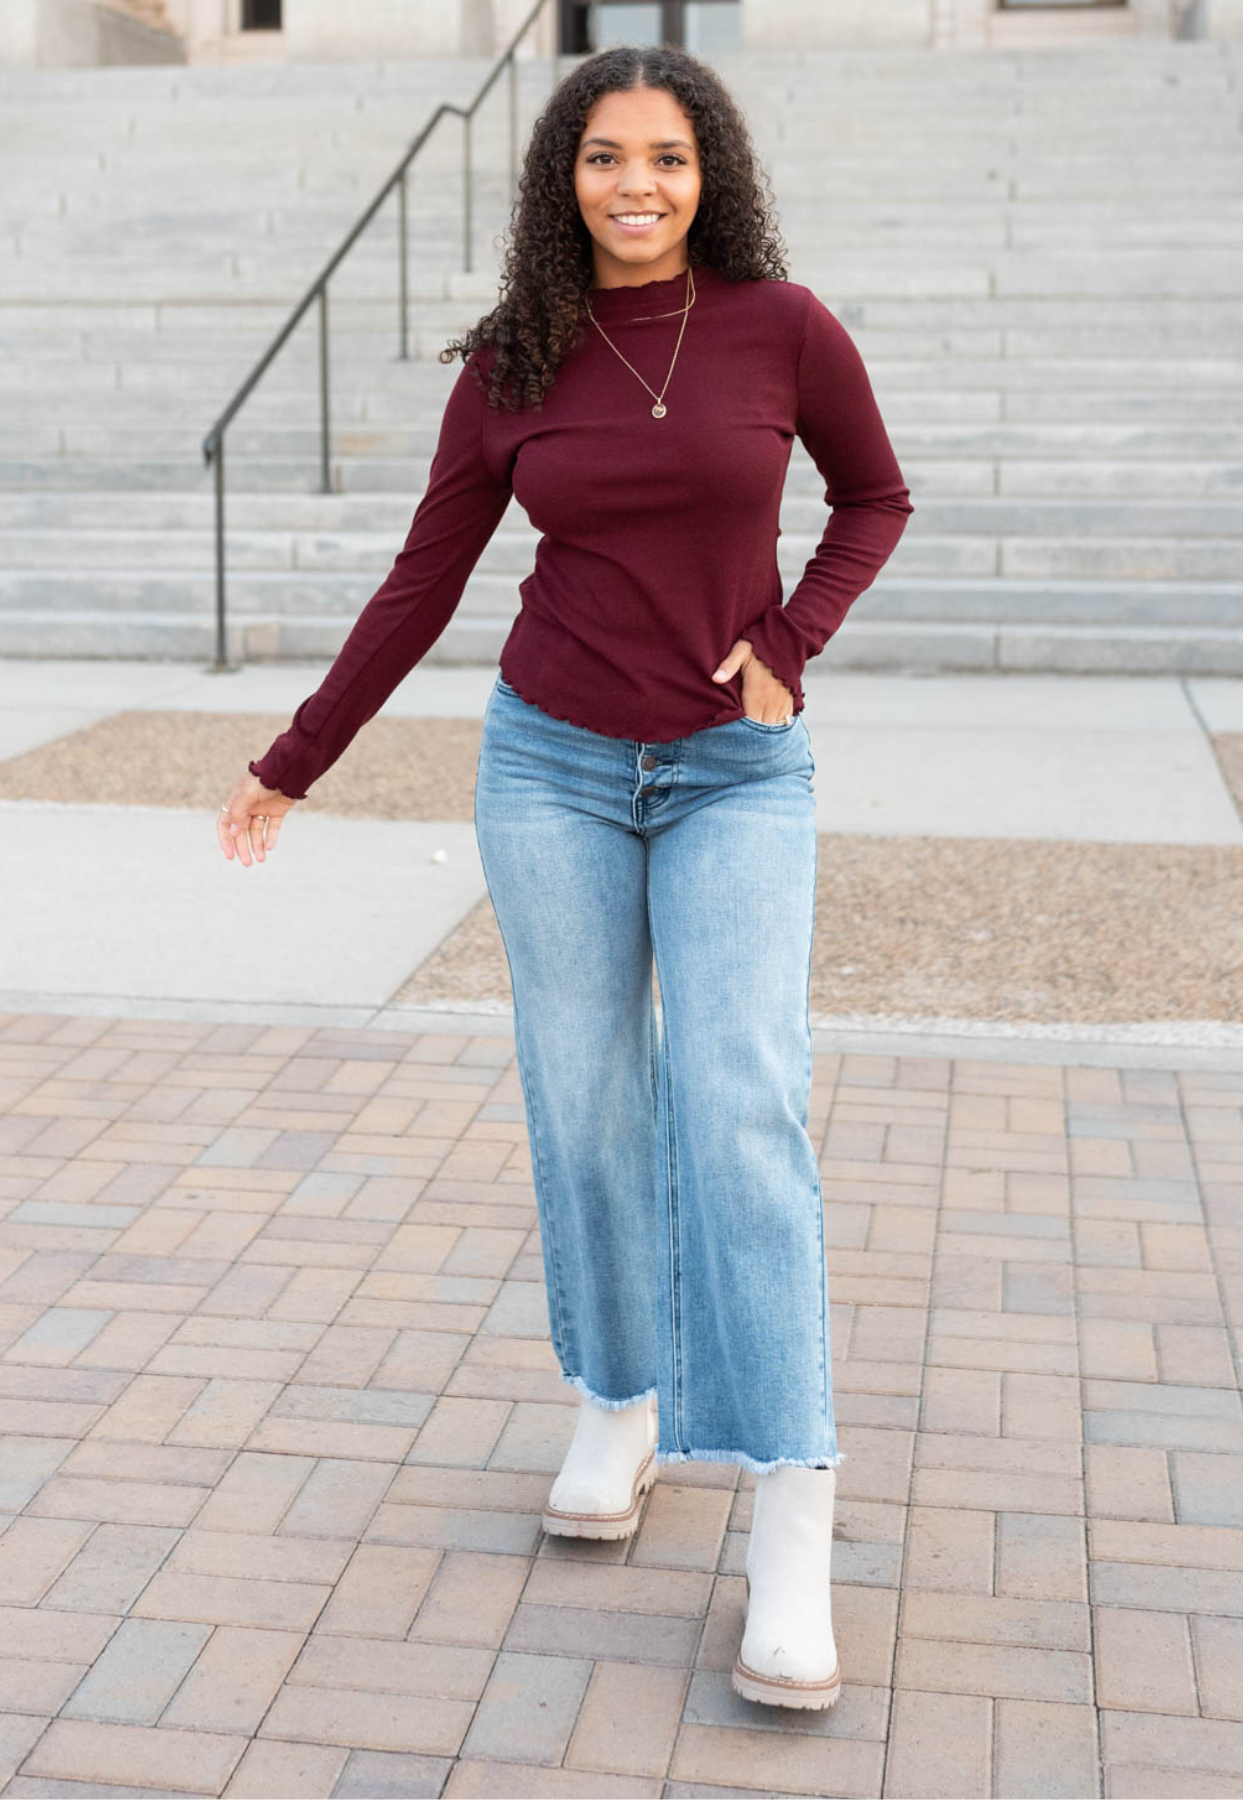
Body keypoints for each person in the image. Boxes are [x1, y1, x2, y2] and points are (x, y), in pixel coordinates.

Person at [217, 43, 913, 1712]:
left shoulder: (783, 324)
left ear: (707, 169)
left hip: (736, 772)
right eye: (605, 157)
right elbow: (422, 577)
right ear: (562, 177)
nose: (636, 186)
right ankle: (619, 1397)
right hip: (551, 766)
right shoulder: (512, 359)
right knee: (584, 1094)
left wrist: (788, 643)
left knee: (740, 1098)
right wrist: (292, 760)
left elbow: (872, 498)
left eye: (665, 157)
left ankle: (790, 1506)